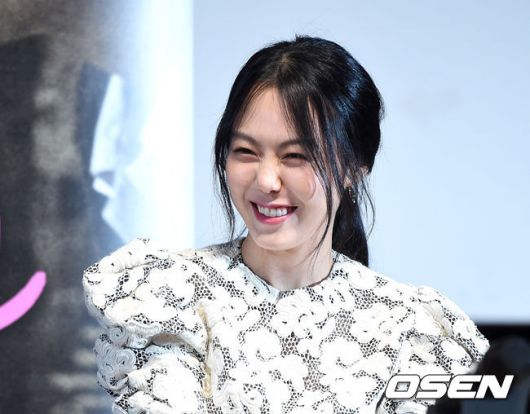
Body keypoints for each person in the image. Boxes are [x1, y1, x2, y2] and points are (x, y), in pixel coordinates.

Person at [82, 36, 489, 414]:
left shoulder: (411, 328)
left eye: (295, 156)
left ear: (355, 167)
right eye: (245, 151)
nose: (266, 181)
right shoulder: (171, 296)